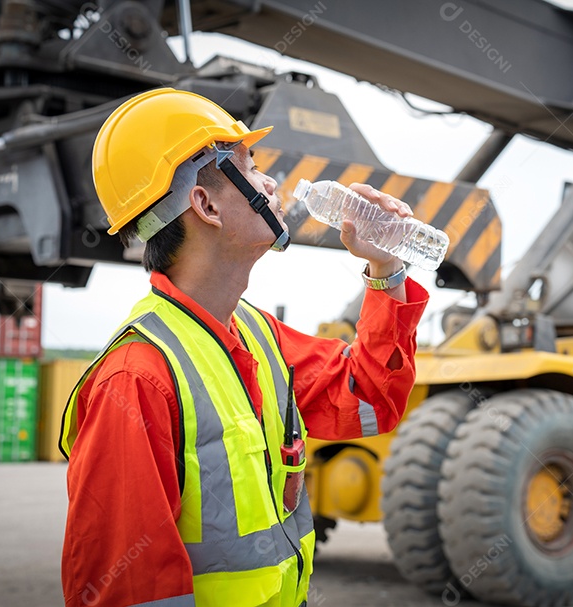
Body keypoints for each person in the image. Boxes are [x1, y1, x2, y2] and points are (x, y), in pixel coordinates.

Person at [59, 88, 428, 607]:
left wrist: (386, 270)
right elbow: (129, 592)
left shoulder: (255, 335)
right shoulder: (136, 379)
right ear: (205, 204)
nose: (271, 181)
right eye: (248, 167)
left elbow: (368, 401)